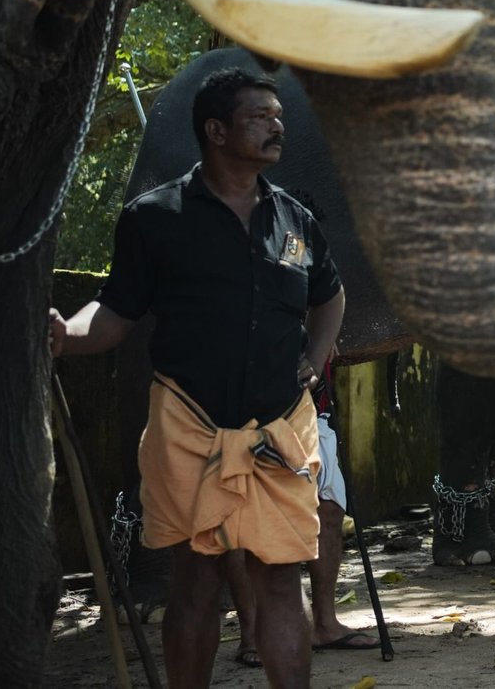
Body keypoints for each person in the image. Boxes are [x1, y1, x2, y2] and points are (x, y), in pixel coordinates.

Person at [50, 67, 345, 687]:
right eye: (259, 116)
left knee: (279, 582)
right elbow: (114, 313)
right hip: (188, 427)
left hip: (280, 430)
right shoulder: (153, 219)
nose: (276, 125)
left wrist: (315, 355)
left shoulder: (295, 219)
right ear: (215, 130)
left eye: (278, 115)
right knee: (198, 581)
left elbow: (331, 297)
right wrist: (65, 336)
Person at [228, 359, 375, 668]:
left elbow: (328, 312)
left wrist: (319, 341)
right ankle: (252, 634)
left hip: (311, 407)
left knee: (330, 510)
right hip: (244, 409)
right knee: (244, 520)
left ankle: (325, 623)